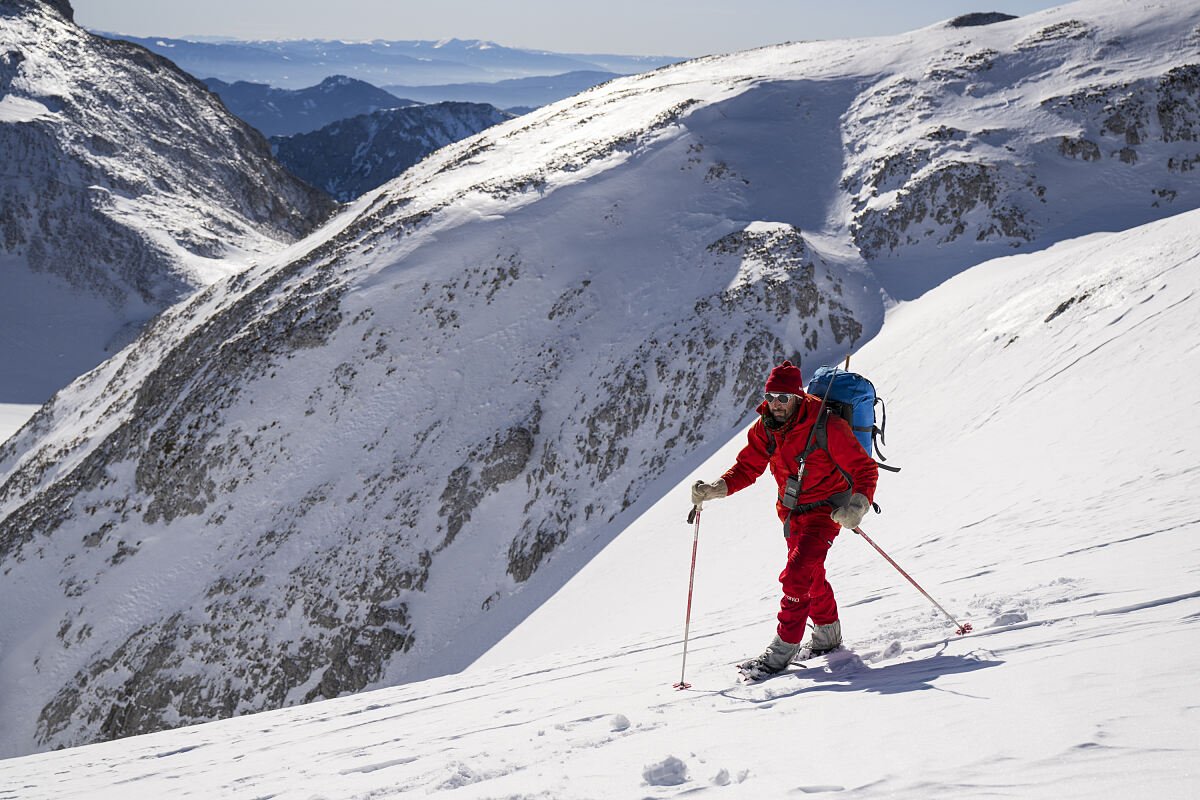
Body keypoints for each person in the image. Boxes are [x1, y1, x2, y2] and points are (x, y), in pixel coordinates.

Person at [690, 359, 878, 676]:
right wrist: (715, 489)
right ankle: (828, 638)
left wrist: (857, 506)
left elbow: (864, 469)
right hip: (790, 512)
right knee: (811, 574)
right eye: (772, 396)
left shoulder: (826, 425)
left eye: (784, 397)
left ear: (798, 397)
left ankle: (781, 651)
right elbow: (747, 468)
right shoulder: (766, 426)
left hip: (826, 509)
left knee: (796, 575)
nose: (776, 404)